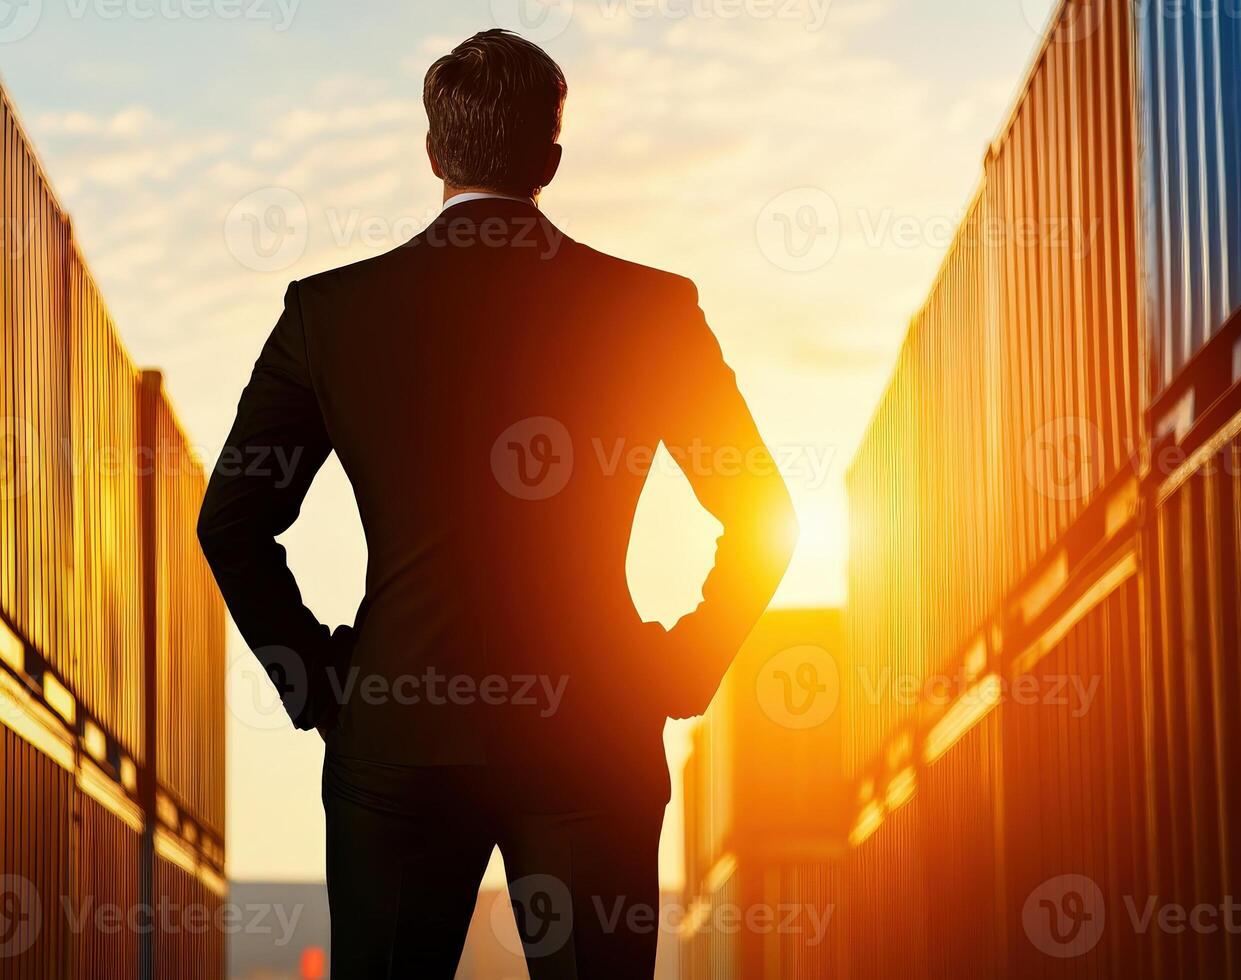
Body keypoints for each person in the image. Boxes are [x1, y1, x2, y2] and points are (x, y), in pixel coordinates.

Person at [198, 29, 797, 979]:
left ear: (432, 154)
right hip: (591, 735)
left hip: (396, 739)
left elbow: (230, 522)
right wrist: (680, 666)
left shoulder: (330, 311)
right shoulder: (648, 310)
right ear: (549, 161)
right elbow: (763, 513)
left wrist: (316, 683)